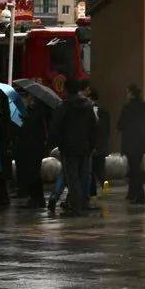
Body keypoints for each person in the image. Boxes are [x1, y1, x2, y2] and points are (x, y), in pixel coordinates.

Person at [47, 80, 97, 217]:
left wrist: (55, 143)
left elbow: (55, 127)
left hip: (68, 148)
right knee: (83, 177)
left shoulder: (64, 106)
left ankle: (75, 208)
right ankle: (80, 205)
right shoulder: (88, 106)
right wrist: (91, 145)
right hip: (85, 147)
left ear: (67, 90)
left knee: (72, 178)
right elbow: (94, 127)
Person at [117, 85, 145, 207]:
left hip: (130, 142)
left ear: (131, 94)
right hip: (142, 142)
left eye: (127, 92)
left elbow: (120, 124)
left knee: (134, 168)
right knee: (136, 166)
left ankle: (139, 195)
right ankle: (132, 193)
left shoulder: (127, 108)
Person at [16, 96, 50, 208]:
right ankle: (36, 198)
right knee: (33, 173)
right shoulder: (33, 111)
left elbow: (35, 129)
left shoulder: (39, 112)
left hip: (34, 147)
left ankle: (37, 198)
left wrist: (26, 120)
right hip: (31, 146)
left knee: (34, 172)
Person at [0, 90, 15, 209]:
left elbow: (3, 132)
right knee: (1, 173)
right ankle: (3, 195)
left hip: (2, 147)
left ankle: (4, 196)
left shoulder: (2, 115)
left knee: (2, 172)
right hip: (1, 146)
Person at [88, 87, 111, 197]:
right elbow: (107, 130)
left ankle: (92, 193)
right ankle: (106, 190)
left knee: (91, 171)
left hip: (94, 146)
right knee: (101, 171)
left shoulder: (90, 110)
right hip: (102, 145)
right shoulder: (105, 110)